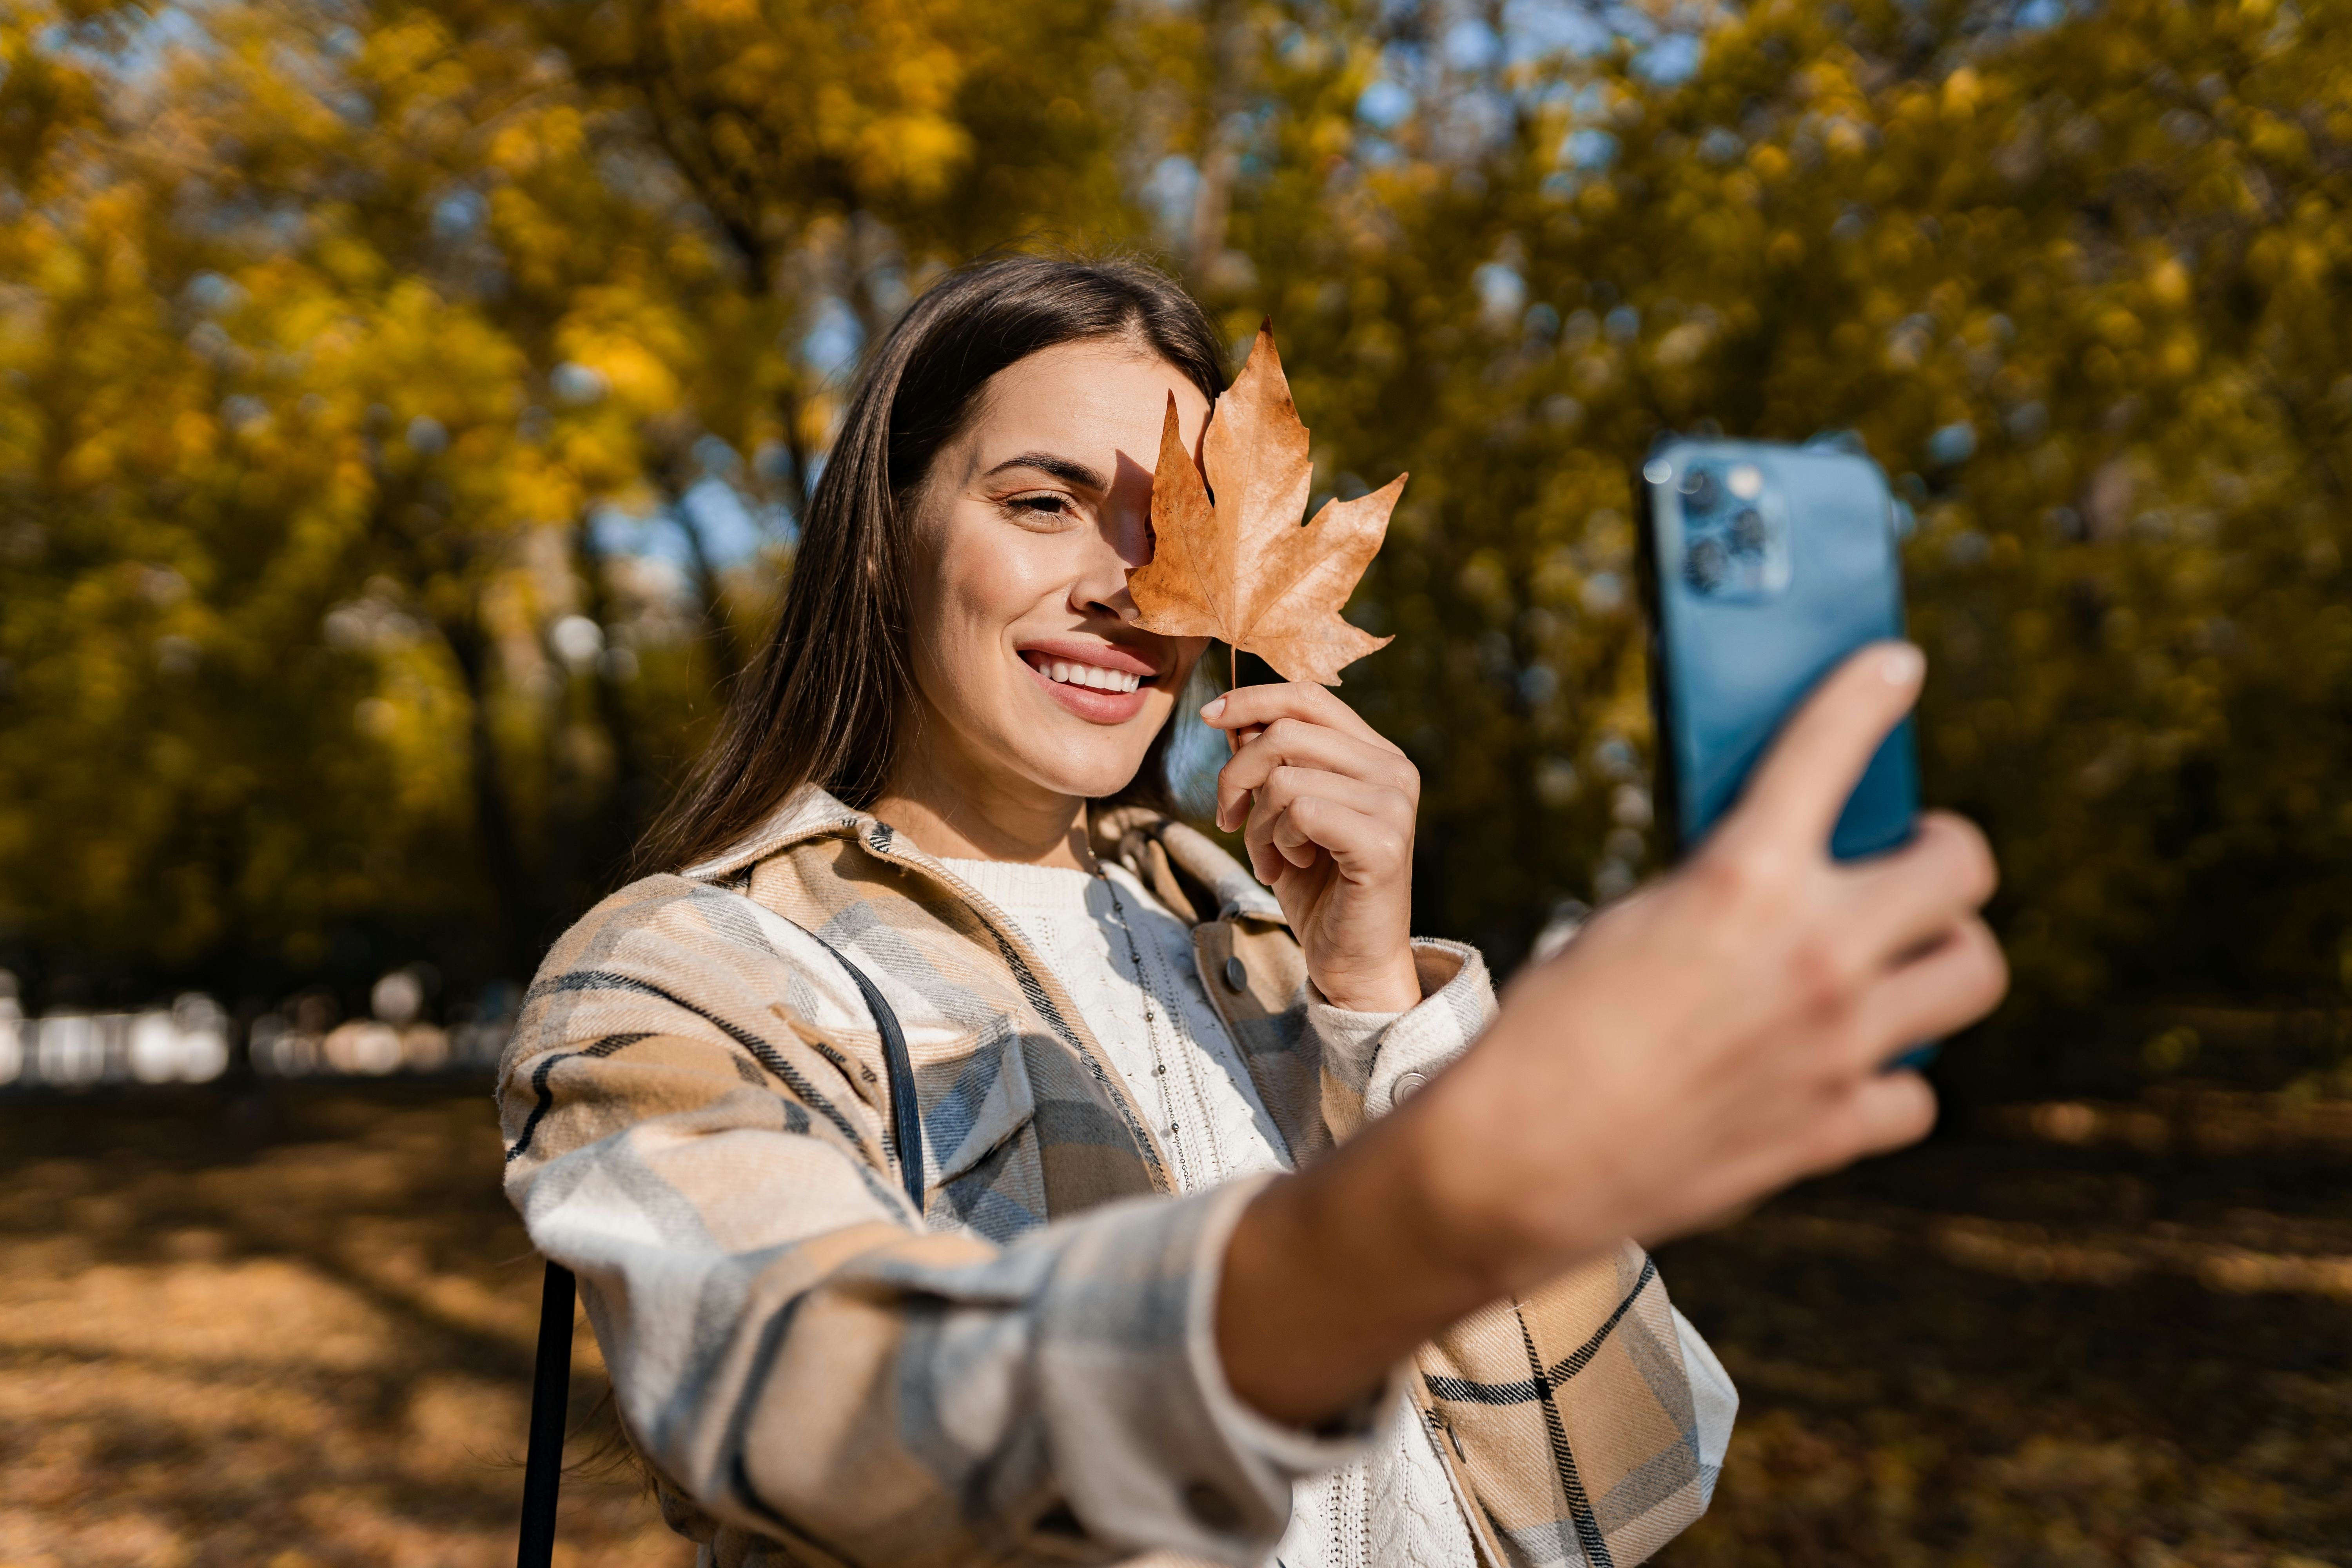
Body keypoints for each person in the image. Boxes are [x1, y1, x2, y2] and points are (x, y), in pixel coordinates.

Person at [498, 254, 2005, 1568]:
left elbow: (1632, 1488)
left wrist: (1379, 1002)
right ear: (887, 534)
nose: (1125, 592)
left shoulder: (1268, 944)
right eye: (1042, 504)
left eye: (1171, 537)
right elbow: (803, 1401)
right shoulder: (692, 973)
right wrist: (1421, 1214)